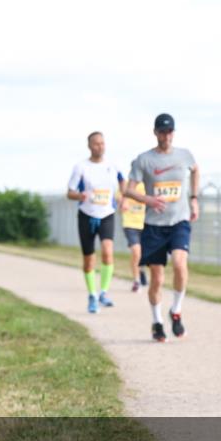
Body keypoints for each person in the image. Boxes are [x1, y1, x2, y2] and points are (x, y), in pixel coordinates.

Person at [126, 114, 200, 341]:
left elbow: (195, 169)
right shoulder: (144, 160)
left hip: (179, 221)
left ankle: (175, 311)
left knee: (180, 264)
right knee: (157, 278)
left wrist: (194, 198)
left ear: (173, 133)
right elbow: (129, 190)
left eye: (169, 132)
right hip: (154, 226)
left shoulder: (184, 155)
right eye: (162, 132)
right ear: (155, 132)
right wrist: (147, 199)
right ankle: (157, 321)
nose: (166, 136)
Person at [67, 131, 124, 313]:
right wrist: (80, 195)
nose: (100, 146)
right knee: (89, 259)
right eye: (96, 144)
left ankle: (103, 292)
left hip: (107, 214)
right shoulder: (81, 167)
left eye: (102, 143)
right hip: (87, 215)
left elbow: (123, 181)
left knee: (108, 252)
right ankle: (92, 294)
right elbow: (69, 192)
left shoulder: (112, 166)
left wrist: (123, 196)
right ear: (89, 146)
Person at [119, 180, 148, 292]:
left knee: (144, 254)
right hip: (130, 224)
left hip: (146, 224)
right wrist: (123, 201)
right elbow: (118, 201)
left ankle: (141, 269)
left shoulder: (148, 183)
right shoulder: (125, 185)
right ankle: (137, 281)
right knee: (136, 252)